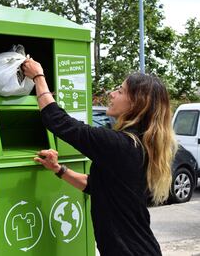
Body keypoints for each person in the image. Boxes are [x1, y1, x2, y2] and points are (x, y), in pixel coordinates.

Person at [22, 58, 177, 256]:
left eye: (120, 91)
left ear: (137, 103)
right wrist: (58, 169)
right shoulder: (139, 145)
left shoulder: (120, 144)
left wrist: (38, 76)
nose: (111, 94)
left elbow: (57, 121)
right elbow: (96, 187)